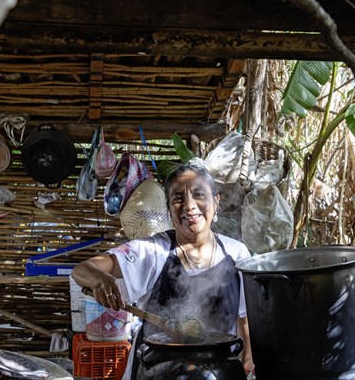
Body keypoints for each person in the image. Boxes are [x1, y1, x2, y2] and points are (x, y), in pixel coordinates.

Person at [71, 161, 255, 379]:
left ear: (216, 202)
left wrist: (248, 358)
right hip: (157, 369)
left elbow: (243, 318)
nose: (189, 205)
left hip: (217, 369)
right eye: (178, 198)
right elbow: (82, 269)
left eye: (199, 195)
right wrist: (100, 279)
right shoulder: (152, 251)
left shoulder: (237, 254)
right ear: (169, 208)